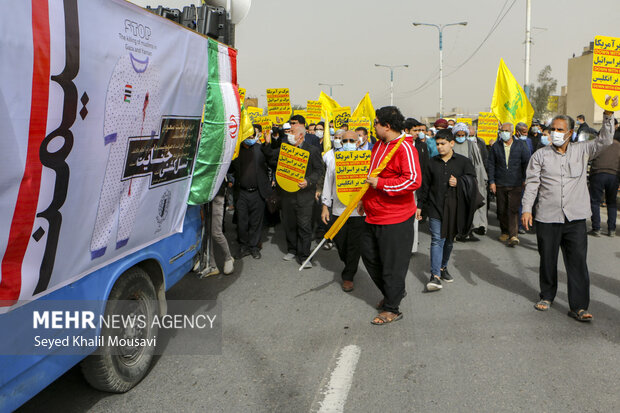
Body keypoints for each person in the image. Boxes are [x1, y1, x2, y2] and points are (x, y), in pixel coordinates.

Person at [522, 111, 615, 322]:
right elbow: (532, 184)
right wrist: (527, 209)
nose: (554, 133)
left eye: (559, 130)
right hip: (547, 217)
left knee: (578, 263)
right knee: (547, 259)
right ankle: (547, 296)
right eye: (552, 129)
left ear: (570, 133)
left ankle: (579, 306)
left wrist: (608, 115)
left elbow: (605, 140)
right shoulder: (540, 156)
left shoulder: (583, 150)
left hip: (575, 219)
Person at [358, 106, 422, 325]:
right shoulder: (378, 145)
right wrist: (363, 199)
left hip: (395, 217)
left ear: (386, 125)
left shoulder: (405, 148)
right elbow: (371, 175)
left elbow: (413, 180)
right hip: (373, 213)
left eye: (376, 123)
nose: (373, 126)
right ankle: (393, 292)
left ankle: (392, 308)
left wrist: (382, 184)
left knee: (393, 264)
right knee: (369, 255)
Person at [416, 129, 476, 291]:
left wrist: (460, 182)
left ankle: (442, 268)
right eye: (437, 144)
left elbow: (472, 181)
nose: (440, 147)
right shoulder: (431, 162)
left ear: (451, 143)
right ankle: (434, 276)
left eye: (443, 144)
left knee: (449, 240)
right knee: (437, 239)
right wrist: (420, 206)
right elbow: (425, 186)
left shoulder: (463, 162)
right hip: (435, 207)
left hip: (455, 208)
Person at [321, 130, 365, 292]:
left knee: (354, 244)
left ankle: (348, 275)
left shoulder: (365, 160)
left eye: (351, 141)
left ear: (358, 142)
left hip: (359, 211)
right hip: (338, 210)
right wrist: (325, 206)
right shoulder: (334, 160)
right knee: (340, 242)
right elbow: (328, 182)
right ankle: (349, 264)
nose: (348, 144)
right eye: (344, 141)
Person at [279, 123, 324, 268]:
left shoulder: (313, 150)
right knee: (290, 224)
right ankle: (292, 249)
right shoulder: (286, 149)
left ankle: (305, 256)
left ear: (300, 135)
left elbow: (319, 171)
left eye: (292, 132)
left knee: (304, 226)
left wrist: (308, 181)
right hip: (287, 195)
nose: (289, 134)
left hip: (305, 196)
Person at [231, 125, 278, 260]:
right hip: (242, 193)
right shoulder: (236, 151)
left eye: (252, 136)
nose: (250, 138)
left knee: (256, 222)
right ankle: (243, 247)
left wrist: (268, 143)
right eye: (248, 136)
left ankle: (254, 247)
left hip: (258, 192)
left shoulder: (260, 149)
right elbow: (229, 169)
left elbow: (272, 160)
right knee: (242, 221)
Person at [488, 122, 531, 246]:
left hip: (516, 183)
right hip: (500, 183)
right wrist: (492, 182)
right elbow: (491, 164)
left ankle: (513, 235)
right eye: (502, 130)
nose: (503, 133)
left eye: (506, 130)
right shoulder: (496, 146)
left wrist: (525, 179)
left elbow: (526, 163)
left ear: (512, 132)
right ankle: (505, 231)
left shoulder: (521, 146)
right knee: (501, 210)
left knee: (513, 209)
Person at [452, 123, 488, 238]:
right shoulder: (451, 144)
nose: (461, 137)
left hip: (468, 180)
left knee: (470, 205)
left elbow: (478, 164)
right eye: (458, 134)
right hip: (455, 180)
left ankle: (470, 230)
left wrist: (480, 179)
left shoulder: (471, 145)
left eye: (463, 134)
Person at [588, 132, 620, 237]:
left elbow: (589, 157)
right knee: (611, 202)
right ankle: (612, 229)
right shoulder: (618, 145)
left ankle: (596, 228)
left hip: (598, 173)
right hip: (613, 175)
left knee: (595, 201)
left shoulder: (598, 143)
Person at [201, 181, 235, 277]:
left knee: (216, 233)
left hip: (216, 196)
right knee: (207, 233)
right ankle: (212, 265)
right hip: (204, 196)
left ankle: (228, 258)